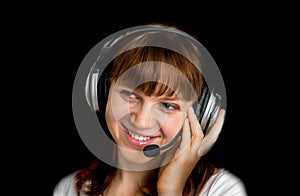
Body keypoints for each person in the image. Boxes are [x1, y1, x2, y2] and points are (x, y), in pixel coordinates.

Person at [54, 23, 247, 196]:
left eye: (167, 105)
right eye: (130, 95)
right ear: (100, 92)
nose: (141, 122)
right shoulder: (70, 189)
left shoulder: (223, 190)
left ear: (198, 116)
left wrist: (170, 191)